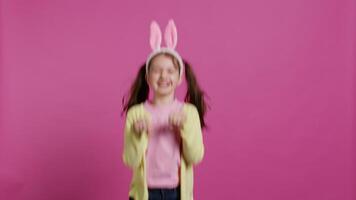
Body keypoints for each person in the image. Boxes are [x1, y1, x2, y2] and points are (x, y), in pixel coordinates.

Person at [122, 19, 208, 200]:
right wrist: (138, 135)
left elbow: (195, 157)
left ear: (179, 78)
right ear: (147, 76)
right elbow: (130, 160)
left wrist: (185, 128)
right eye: (157, 70)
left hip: (177, 193)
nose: (163, 76)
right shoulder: (136, 114)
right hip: (144, 194)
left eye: (170, 71)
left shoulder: (189, 112)